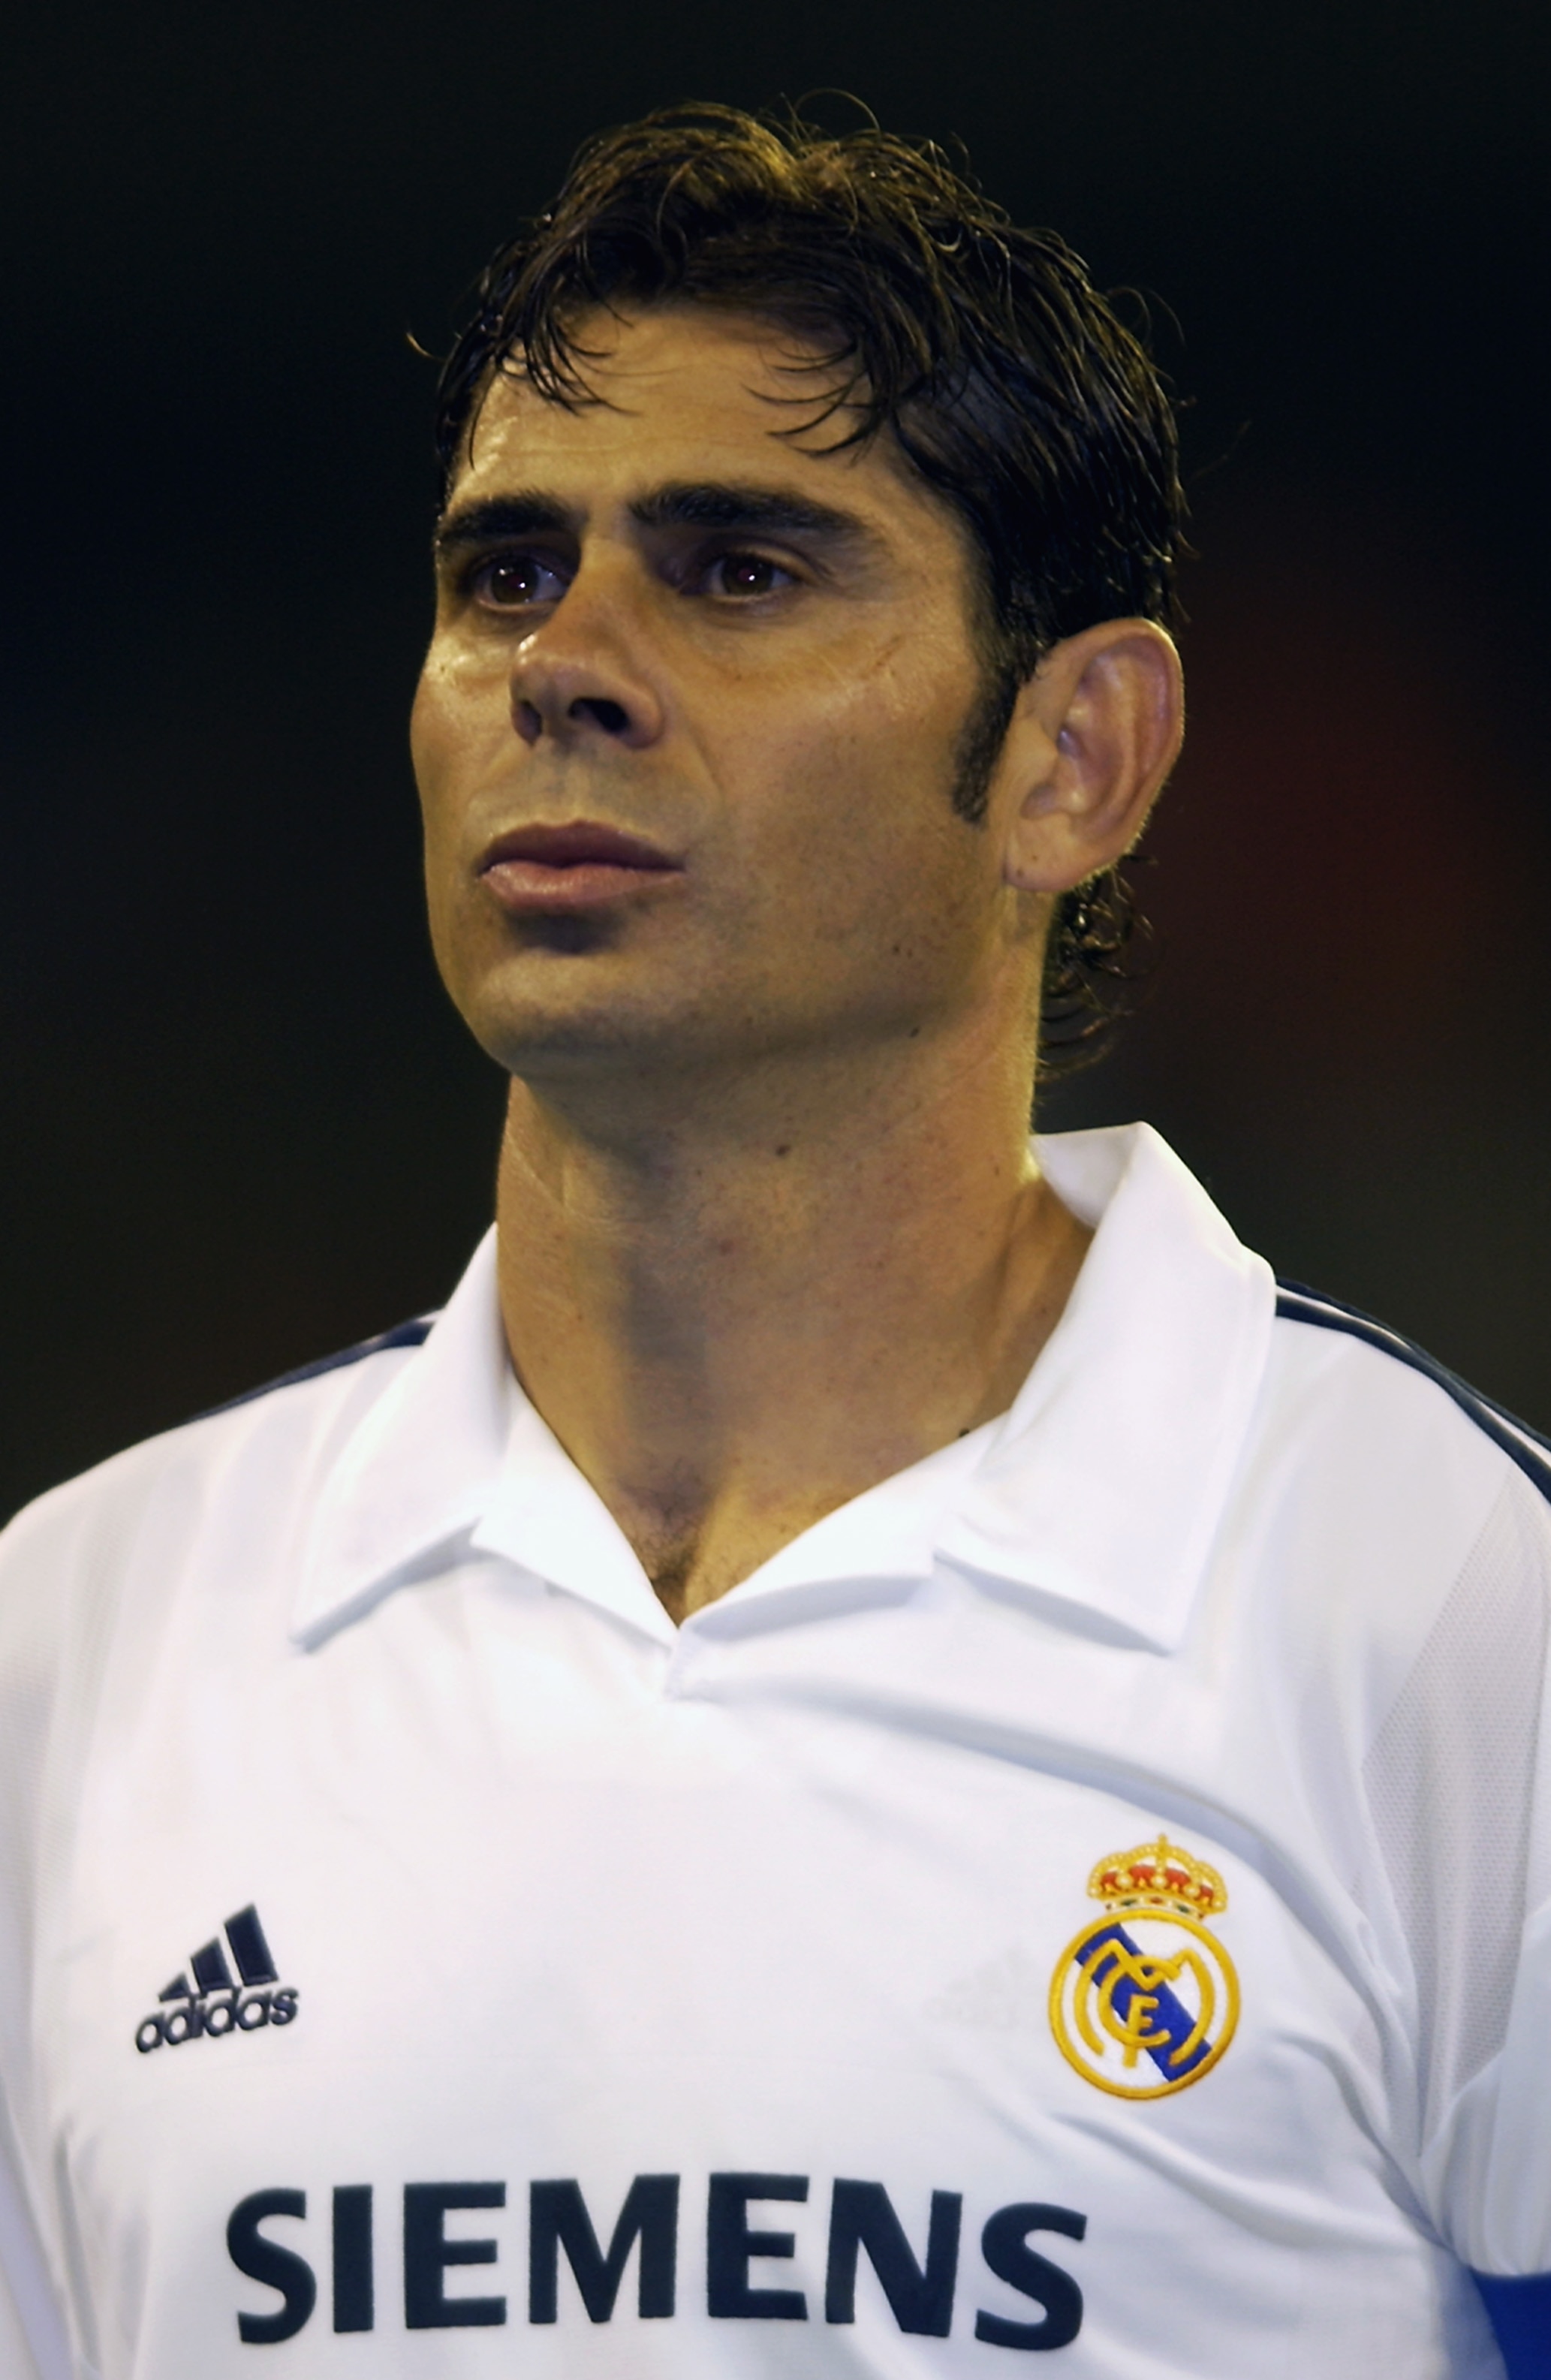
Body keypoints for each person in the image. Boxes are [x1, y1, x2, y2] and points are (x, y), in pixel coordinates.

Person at [0, 103, 1546, 2380]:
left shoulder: (1451, 1619)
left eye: (740, 569)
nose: (567, 661)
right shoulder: (73, 1651)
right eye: (502, 572)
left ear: (1075, 755)